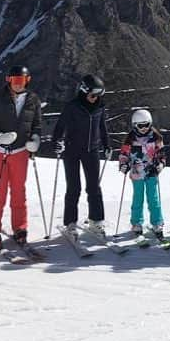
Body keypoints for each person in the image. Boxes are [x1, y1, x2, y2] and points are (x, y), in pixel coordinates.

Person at [0, 64, 42, 249]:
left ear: (27, 81)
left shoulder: (33, 99)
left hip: (20, 153)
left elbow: (37, 124)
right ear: (8, 80)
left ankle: (20, 228)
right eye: (15, 80)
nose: (18, 84)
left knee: (18, 191)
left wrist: (35, 140)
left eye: (22, 80)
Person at [51, 74, 109, 237]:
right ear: (84, 91)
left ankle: (96, 221)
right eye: (93, 95)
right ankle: (70, 224)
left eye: (99, 95)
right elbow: (60, 127)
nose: (96, 98)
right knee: (73, 188)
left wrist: (107, 145)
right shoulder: (72, 106)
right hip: (71, 151)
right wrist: (57, 142)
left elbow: (102, 127)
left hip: (92, 150)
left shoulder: (100, 107)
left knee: (94, 187)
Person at [118, 109, 166, 238]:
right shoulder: (130, 139)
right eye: (140, 126)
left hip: (151, 172)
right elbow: (124, 154)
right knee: (138, 198)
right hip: (137, 173)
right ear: (135, 125)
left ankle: (157, 222)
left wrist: (160, 164)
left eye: (146, 125)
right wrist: (123, 164)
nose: (144, 128)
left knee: (153, 199)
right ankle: (136, 223)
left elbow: (161, 154)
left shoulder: (156, 137)